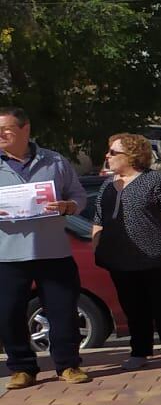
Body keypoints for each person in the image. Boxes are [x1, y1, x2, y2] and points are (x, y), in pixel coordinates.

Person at [90, 133, 161, 371]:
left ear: (132, 156)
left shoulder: (156, 181)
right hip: (120, 260)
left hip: (158, 258)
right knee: (133, 308)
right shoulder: (108, 185)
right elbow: (98, 219)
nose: (108, 156)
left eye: (114, 153)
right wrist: (97, 248)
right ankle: (139, 351)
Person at [2, 107, 88, 388]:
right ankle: (21, 368)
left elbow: (78, 196)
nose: (1, 135)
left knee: (63, 310)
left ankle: (68, 365)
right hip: (7, 255)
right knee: (9, 313)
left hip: (54, 251)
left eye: (7, 130)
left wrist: (68, 207)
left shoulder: (54, 161)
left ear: (25, 129)